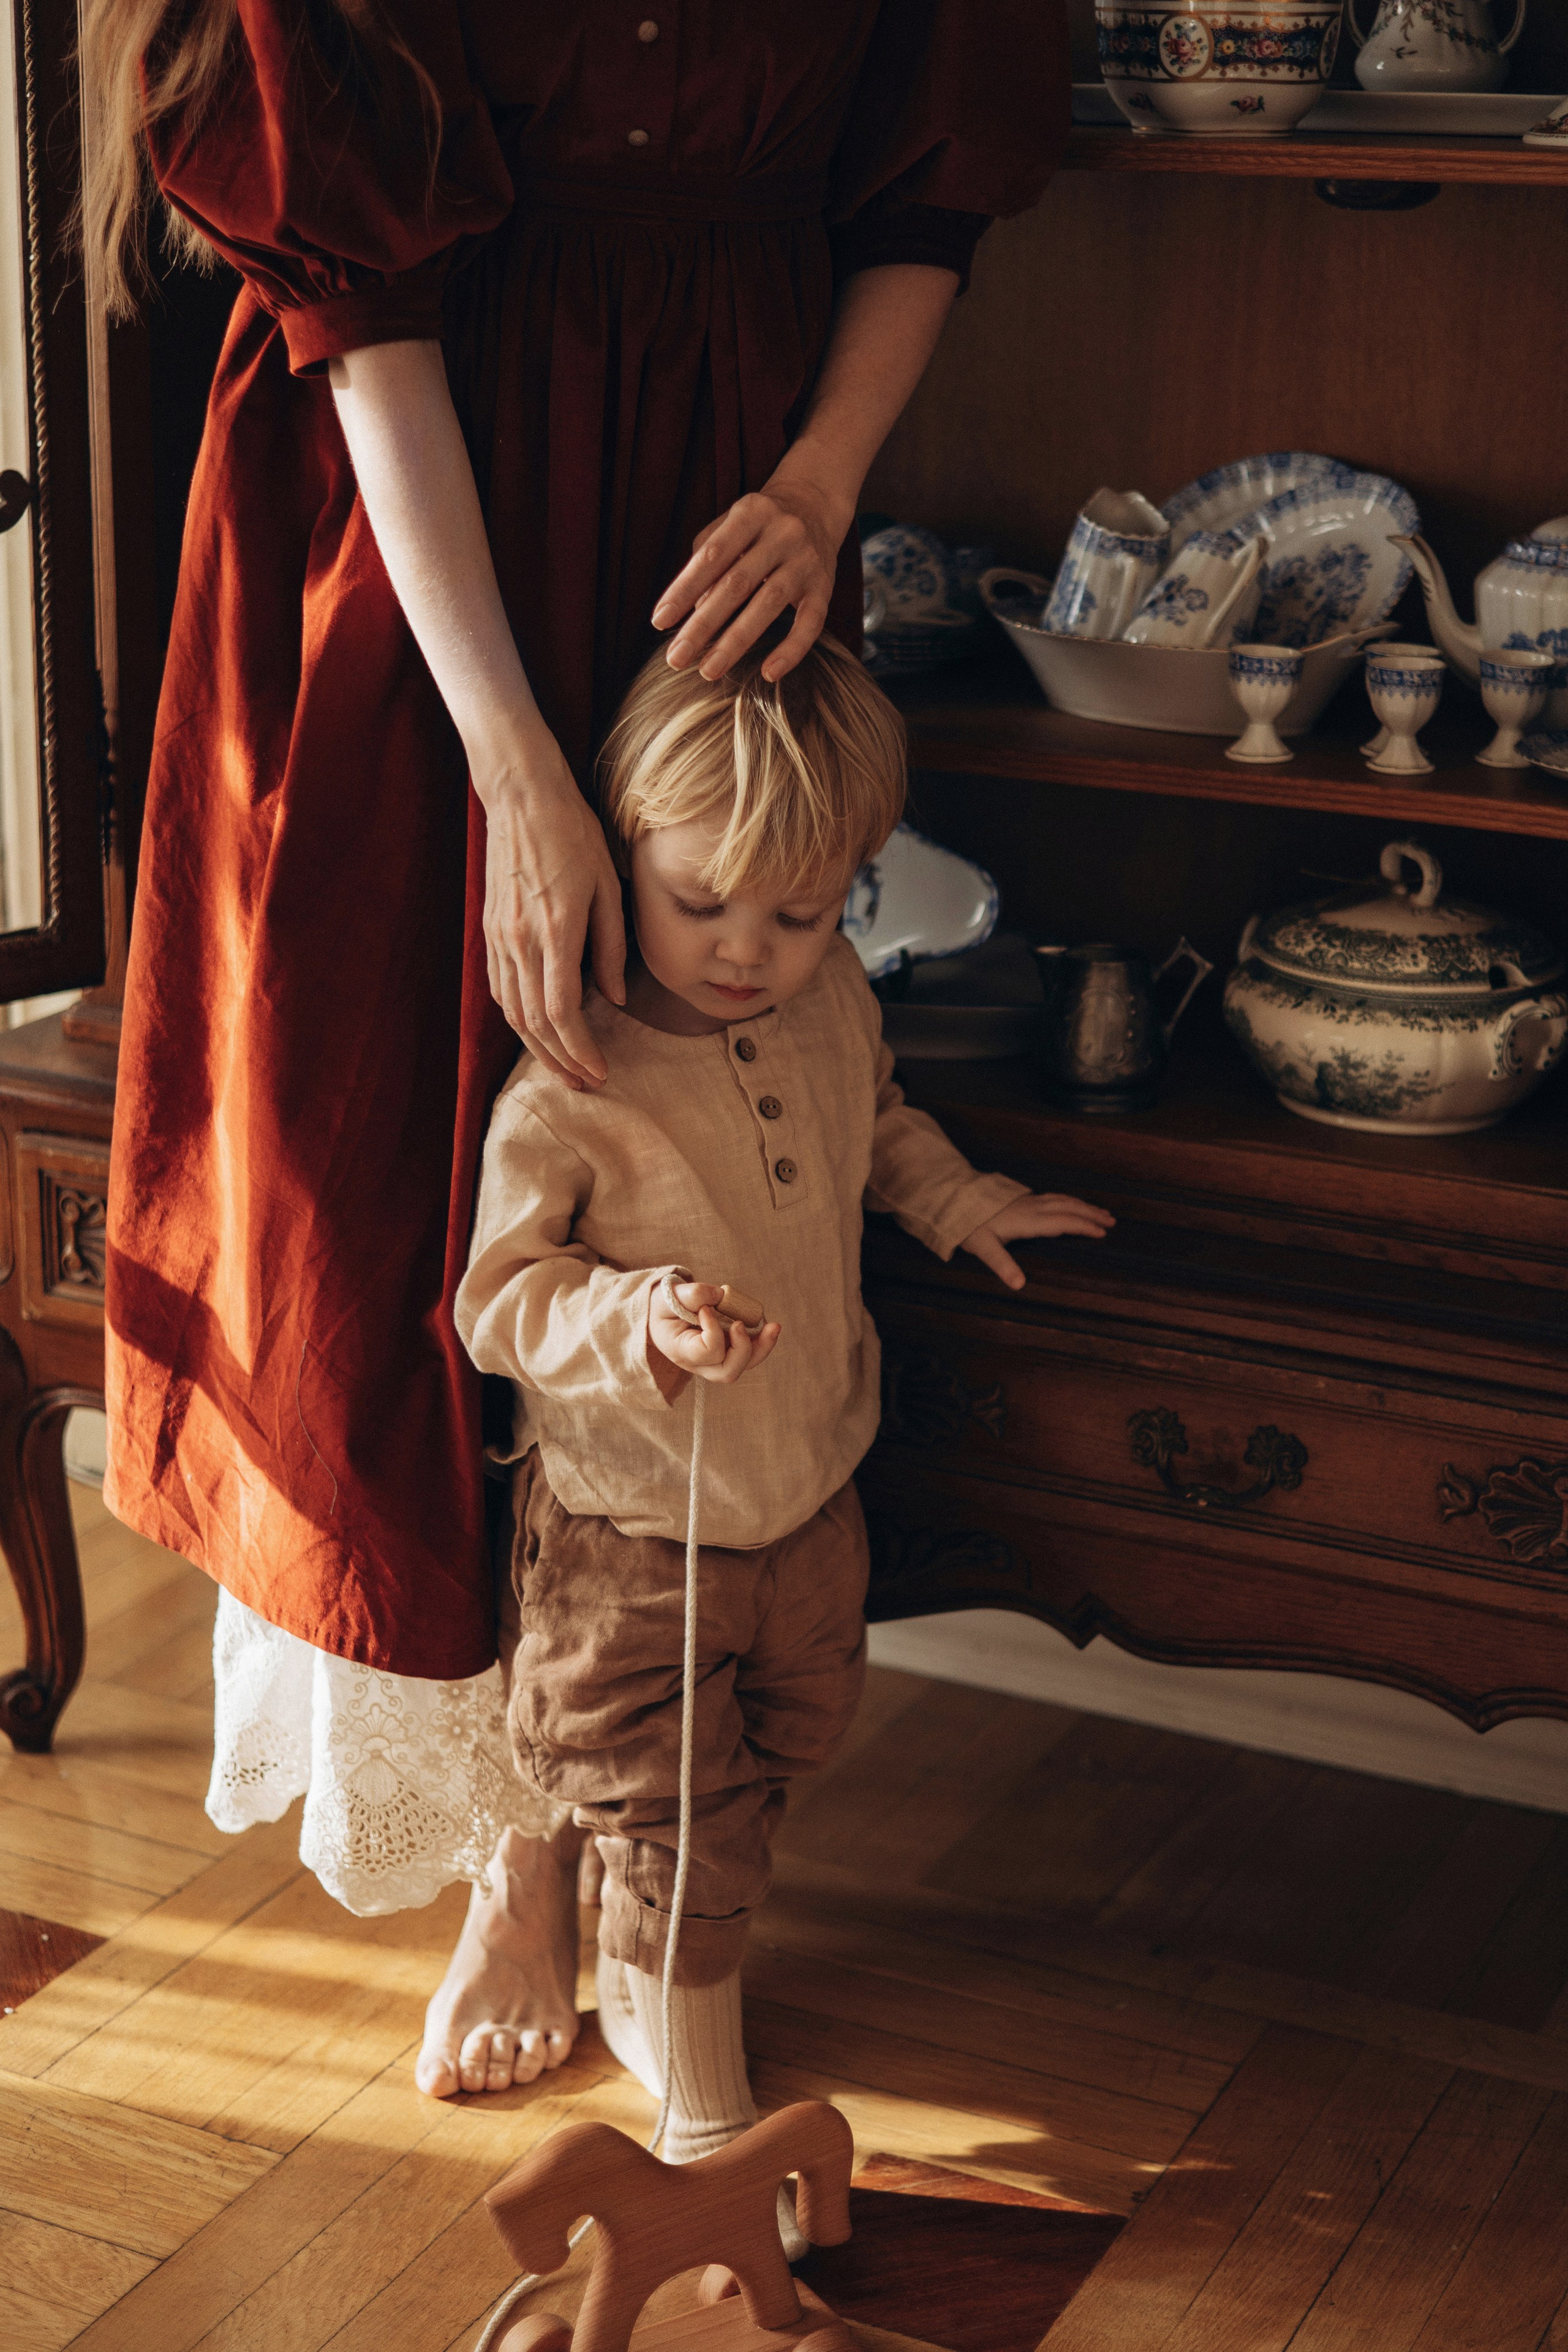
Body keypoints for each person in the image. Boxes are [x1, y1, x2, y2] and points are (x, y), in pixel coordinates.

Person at [88, 0, 1071, 2098]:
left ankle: (624, 1850)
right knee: (406, 1166)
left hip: (729, 481)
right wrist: (514, 761)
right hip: (414, 507)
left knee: (682, 1123)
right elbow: (359, 296)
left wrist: (818, 488)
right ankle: (506, 1859)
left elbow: (931, 180)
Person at [456, 634, 1111, 2190]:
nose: (746, 950)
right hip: (636, 1535)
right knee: (688, 1823)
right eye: (699, 903)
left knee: (777, 1756)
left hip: (807, 1498)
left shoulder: (829, 1010)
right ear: (624, 847)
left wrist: (959, 1202)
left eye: (801, 914)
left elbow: (874, 1121)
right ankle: (701, 2106)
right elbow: (502, 1300)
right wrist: (638, 1318)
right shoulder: (572, 1078)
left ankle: (641, 1959)